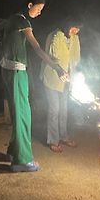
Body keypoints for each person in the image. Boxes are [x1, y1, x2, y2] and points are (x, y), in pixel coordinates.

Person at [0, 0, 68, 172]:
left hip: (7, 70)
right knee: (23, 116)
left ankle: (13, 151)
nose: (40, 13)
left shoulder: (12, 19)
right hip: (17, 72)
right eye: (39, 8)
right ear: (30, 4)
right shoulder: (23, 22)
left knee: (19, 111)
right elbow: (38, 49)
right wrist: (57, 68)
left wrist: (7, 44)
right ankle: (22, 161)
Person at [41, 18, 81, 153]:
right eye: (74, 28)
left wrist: (71, 75)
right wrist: (61, 71)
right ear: (67, 24)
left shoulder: (74, 38)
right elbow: (52, 57)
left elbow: (74, 59)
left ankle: (63, 136)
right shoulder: (54, 36)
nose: (75, 31)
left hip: (65, 80)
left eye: (78, 29)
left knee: (64, 109)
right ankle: (53, 140)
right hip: (52, 78)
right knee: (54, 110)